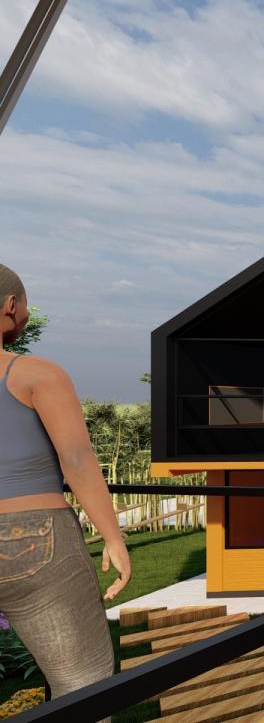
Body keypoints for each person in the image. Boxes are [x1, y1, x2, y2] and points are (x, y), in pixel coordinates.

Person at [0, 264, 129, 713]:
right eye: (25, 306)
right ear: (10, 305)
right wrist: (113, 537)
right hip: (35, 537)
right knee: (83, 686)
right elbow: (77, 459)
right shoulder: (36, 374)